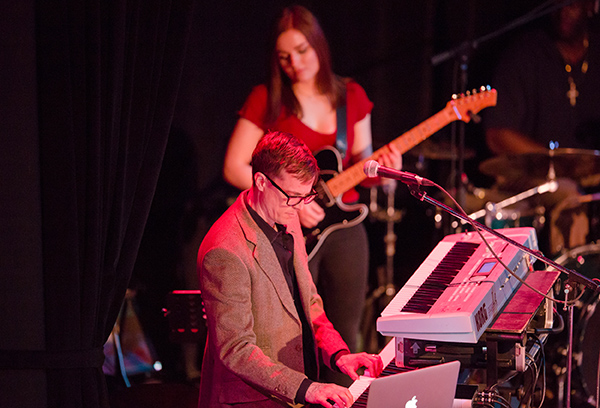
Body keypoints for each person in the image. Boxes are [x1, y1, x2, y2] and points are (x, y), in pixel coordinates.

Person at [222, 5, 401, 384]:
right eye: (284, 56)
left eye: (302, 50)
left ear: (318, 45)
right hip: (285, 229)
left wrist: (385, 170)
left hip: (343, 227)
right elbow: (236, 166)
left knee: (343, 332)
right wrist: (292, 203)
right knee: (291, 334)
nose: (294, 63)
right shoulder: (266, 98)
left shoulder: (351, 96)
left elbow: (363, 170)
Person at [197, 131, 383, 408]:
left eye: (306, 196)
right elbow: (236, 350)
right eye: (293, 196)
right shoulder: (225, 251)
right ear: (261, 181)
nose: (300, 206)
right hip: (254, 401)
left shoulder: (286, 215)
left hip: (296, 390)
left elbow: (308, 300)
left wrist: (338, 354)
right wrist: (306, 389)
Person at [483, 0, 600, 254]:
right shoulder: (526, 53)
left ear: (591, 6)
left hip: (591, 174)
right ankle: (571, 286)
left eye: (572, 5)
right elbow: (497, 134)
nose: (562, 13)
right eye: (557, 4)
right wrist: (553, 163)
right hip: (533, 177)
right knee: (569, 194)